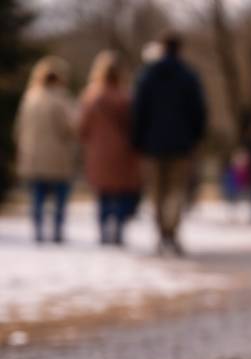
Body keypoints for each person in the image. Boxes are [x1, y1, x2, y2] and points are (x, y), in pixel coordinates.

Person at [132, 32, 206, 256]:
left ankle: (161, 233)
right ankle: (171, 232)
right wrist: (194, 138)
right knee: (175, 191)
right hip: (181, 145)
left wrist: (138, 140)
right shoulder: (189, 76)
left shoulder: (147, 75)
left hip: (152, 145)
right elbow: (199, 112)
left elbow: (138, 111)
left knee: (156, 192)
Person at [79, 51, 142, 246]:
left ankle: (105, 228)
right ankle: (119, 226)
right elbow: (136, 125)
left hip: (98, 152)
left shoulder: (91, 96)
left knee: (103, 193)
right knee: (122, 192)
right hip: (123, 152)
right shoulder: (127, 97)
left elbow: (82, 127)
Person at [13, 56, 76, 244]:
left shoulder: (30, 97)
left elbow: (18, 129)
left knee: (37, 197)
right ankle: (57, 231)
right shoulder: (61, 99)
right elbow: (69, 128)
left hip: (32, 156)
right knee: (59, 198)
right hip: (57, 157)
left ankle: (38, 230)